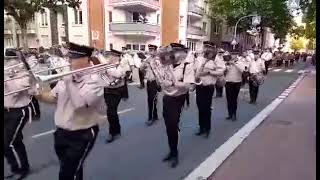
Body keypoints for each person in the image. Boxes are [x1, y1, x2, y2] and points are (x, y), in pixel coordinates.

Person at [35, 42, 105, 180]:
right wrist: (37, 94)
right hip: (61, 133)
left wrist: (68, 81)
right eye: (69, 57)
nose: (68, 60)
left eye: (72, 58)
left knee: (67, 174)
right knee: (72, 170)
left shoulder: (95, 81)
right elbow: (53, 97)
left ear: (85, 59)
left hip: (82, 134)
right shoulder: (67, 78)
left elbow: (79, 104)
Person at [160, 43, 195, 168]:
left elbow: (190, 86)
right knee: (169, 127)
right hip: (167, 98)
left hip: (178, 99)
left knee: (173, 125)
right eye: (171, 51)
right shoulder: (166, 65)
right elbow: (162, 81)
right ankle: (171, 151)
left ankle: (175, 154)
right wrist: (162, 83)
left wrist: (174, 83)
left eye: (174, 51)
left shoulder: (187, 66)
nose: (171, 54)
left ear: (180, 53)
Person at [4, 61, 35, 179]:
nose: (9, 62)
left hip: (18, 112)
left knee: (7, 143)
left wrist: (7, 77)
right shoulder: (7, 70)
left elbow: (15, 92)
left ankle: (17, 167)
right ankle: (22, 167)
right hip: (5, 110)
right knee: (15, 141)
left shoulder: (25, 75)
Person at [194, 42, 225, 137]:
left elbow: (221, 71)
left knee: (206, 108)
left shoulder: (216, 59)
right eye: (205, 46)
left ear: (212, 49)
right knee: (200, 107)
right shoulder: (199, 58)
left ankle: (207, 128)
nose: (206, 49)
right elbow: (195, 70)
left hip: (209, 86)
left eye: (209, 47)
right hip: (199, 85)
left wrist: (209, 72)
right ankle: (201, 127)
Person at [103, 49, 130, 143]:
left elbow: (117, 74)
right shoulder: (107, 65)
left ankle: (112, 132)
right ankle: (117, 130)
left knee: (111, 111)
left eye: (112, 56)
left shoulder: (122, 65)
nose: (110, 57)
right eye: (110, 55)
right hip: (107, 90)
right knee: (110, 112)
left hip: (117, 91)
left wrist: (106, 68)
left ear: (117, 57)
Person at [140, 44, 161, 126]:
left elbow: (160, 71)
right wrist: (144, 63)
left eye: (152, 49)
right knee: (152, 99)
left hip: (155, 82)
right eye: (150, 49)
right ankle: (155, 115)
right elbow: (141, 69)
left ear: (156, 51)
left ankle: (150, 117)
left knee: (151, 100)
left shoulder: (158, 60)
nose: (150, 51)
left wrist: (151, 63)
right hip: (149, 82)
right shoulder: (147, 59)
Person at [224, 52, 245, 121]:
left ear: (237, 55)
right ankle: (229, 114)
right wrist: (226, 68)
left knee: (234, 99)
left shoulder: (240, 62)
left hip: (236, 82)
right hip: (228, 82)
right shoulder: (227, 62)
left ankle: (234, 114)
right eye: (232, 54)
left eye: (234, 54)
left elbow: (242, 70)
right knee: (228, 99)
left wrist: (234, 64)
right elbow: (223, 72)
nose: (233, 56)